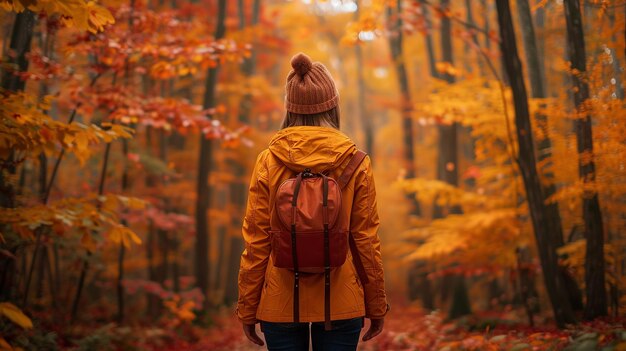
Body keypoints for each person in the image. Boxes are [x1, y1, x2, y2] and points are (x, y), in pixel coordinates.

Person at [236, 52, 388, 351]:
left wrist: (248, 308)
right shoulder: (356, 162)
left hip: (279, 303)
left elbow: (256, 241)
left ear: (290, 108)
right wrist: (376, 304)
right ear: (333, 105)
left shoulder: (268, 161)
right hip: (341, 301)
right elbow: (365, 240)